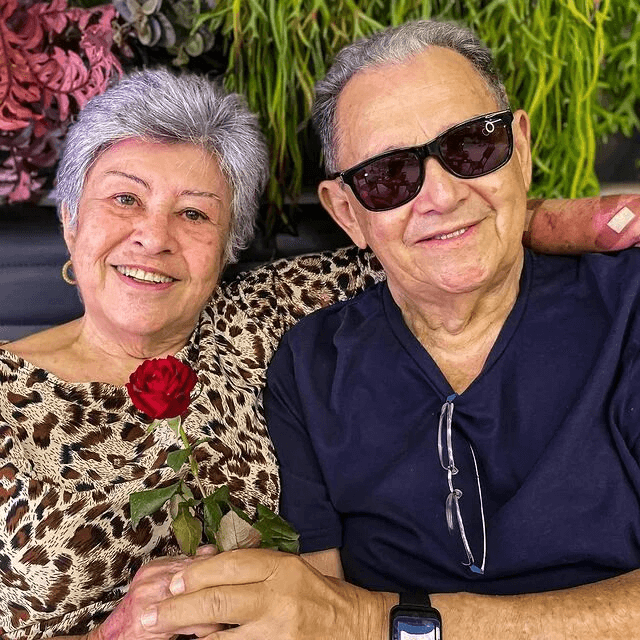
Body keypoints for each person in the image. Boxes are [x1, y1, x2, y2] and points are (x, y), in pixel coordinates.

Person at [0, 59, 636, 640]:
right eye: (124, 199)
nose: (153, 237)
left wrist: (566, 219)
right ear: (71, 218)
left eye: (194, 214)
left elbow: (440, 235)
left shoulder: (264, 314)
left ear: (227, 247)